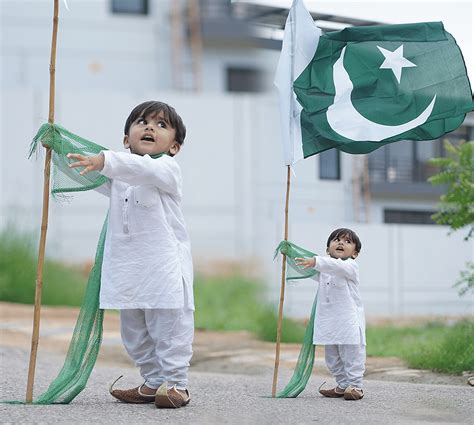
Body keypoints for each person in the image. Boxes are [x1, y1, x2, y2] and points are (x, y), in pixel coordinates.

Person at [67, 100, 194, 408]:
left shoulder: (166, 169)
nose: (149, 127)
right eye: (141, 122)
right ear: (126, 140)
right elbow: (90, 174)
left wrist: (104, 160)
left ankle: (176, 384)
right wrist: (59, 149)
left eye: (161, 125)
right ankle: (152, 382)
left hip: (163, 269)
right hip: (126, 267)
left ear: (174, 147)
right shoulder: (119, 172)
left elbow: (137, 167)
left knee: (169, 329)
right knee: (134, 333)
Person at [295, 228, 366, 400]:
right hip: (328, 321)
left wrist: (316, 261)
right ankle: (342, 385)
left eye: (347, 242)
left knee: (352, 355)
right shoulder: (323, 269)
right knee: (332, 358)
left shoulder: (350, 267)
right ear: (328, 250)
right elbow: (308, 269)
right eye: (336, 240)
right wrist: (290, 255)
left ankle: (356, 386)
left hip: (348, 322)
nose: (341, 243)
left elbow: (333, 265)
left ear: (355, 253)